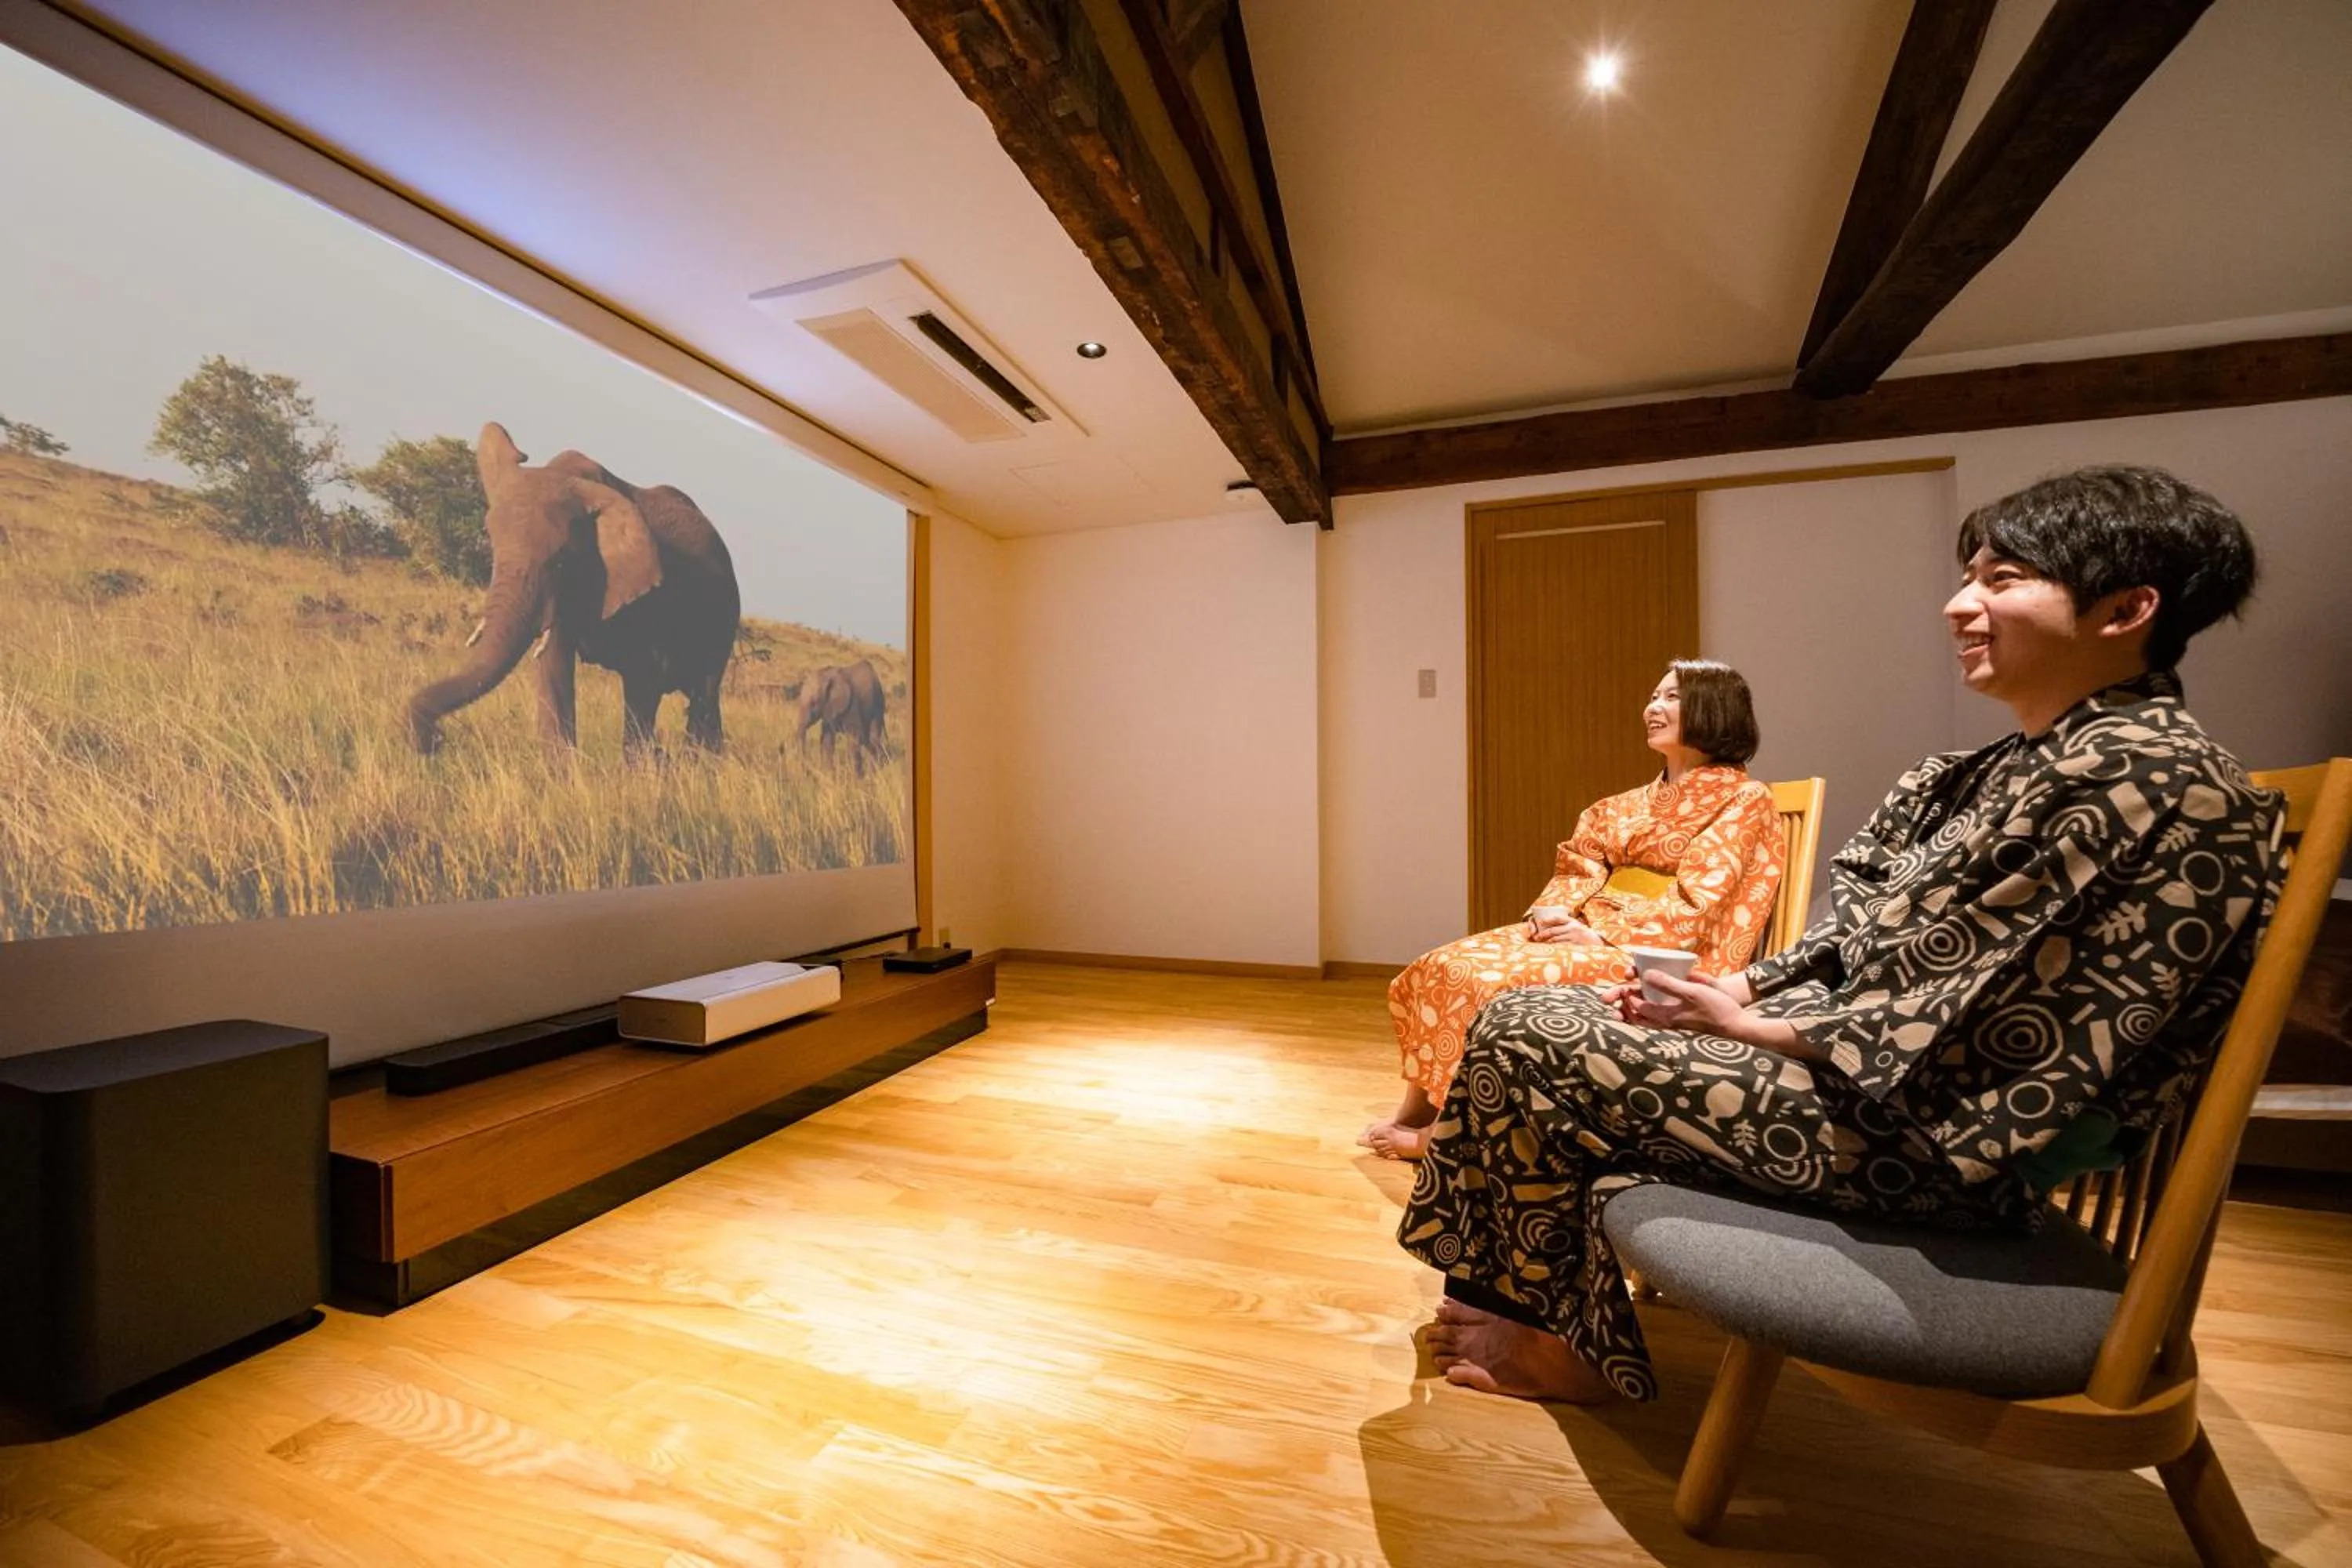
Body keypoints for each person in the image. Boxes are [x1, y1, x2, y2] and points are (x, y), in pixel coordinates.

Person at [1399, 466, 2285, 1404]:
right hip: (1871, 1093)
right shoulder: (2010, 767)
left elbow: (1979, 1018)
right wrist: (1736, 993)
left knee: (1535, 1033)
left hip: (1944, 1143)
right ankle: (1528, 1304)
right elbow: (1858, 936)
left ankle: (1554, 1337)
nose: (1959, 604)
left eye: (2002, 578)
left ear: (2125, 609)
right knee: (1538, 1007)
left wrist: (1744, 1023)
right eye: (1968, 575)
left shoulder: (2148, 773)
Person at [1363, 661, 1785, 1160]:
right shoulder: (1621, 805)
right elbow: (1578, 867)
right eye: (1654, 696)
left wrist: (1603, 940)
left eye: (1672, 697)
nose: (1653, 707)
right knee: (1440, 965)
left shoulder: (1745, 798)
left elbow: (1702, 899)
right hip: (1590, 930)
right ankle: (1419, 1110)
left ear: (1715, 709)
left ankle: (1448, 1137)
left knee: (1486, 982)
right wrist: (1554, 914)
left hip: (1658, 953)